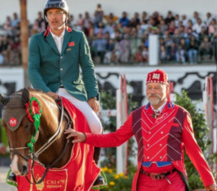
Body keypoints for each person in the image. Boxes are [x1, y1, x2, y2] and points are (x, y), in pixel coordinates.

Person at [65, 69, 217, 191]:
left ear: (167, 88)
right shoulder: (137, 115)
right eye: (149, 87)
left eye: (157, 87)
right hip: (145, 181)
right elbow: (116, 138)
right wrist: (85, 137)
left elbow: (193, 150)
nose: (152, 91)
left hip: (173, 181)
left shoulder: (180, 114)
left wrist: (209, 180)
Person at [28, 0, 104, 187]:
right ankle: (18, 169)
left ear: (66, 15)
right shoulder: (37, 40)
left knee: (96, 127)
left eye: (58, 12)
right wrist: (46, 92)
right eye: (50, 13)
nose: (54, 17)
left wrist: (93, 96)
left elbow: (87, 67)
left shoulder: (78, 37)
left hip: (74, 92)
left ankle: (94, 170)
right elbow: (33, 70)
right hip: (46, 93)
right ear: (46, 17)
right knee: (25, 124)